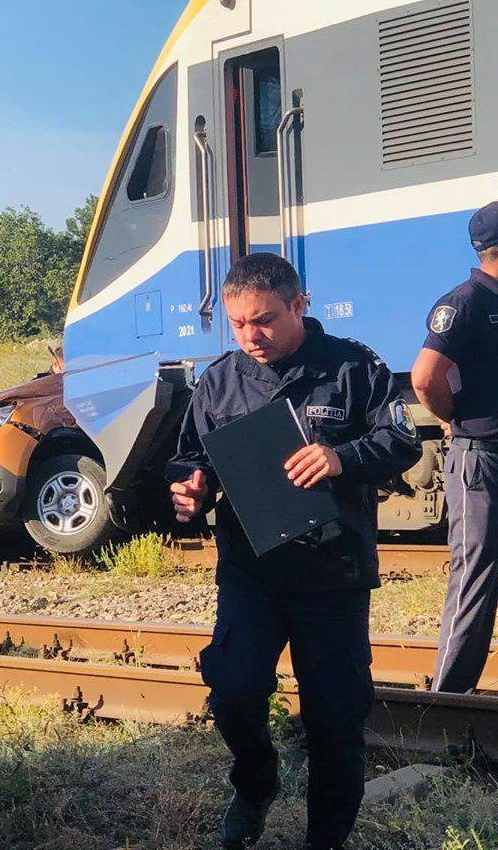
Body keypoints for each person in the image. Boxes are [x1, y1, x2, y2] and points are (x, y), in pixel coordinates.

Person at [167, 253, 421, 850]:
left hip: (333, 572)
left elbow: (402, 438)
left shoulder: (356, 366)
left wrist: (342, 458)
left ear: (300, 305)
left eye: (265, 320)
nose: (251, 336)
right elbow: (189, 457)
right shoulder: (219, 381)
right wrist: (188, 488)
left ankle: (325, 839)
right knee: (232, 689)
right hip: (252, 572)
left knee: (335, 718)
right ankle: (255, 784)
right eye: (237, 325)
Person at [412, 200, 498, 694]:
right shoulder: (463, 302)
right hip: (481, 457)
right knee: (475, 577)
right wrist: (453, 420)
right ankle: (448, 700)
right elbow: (425, 377)